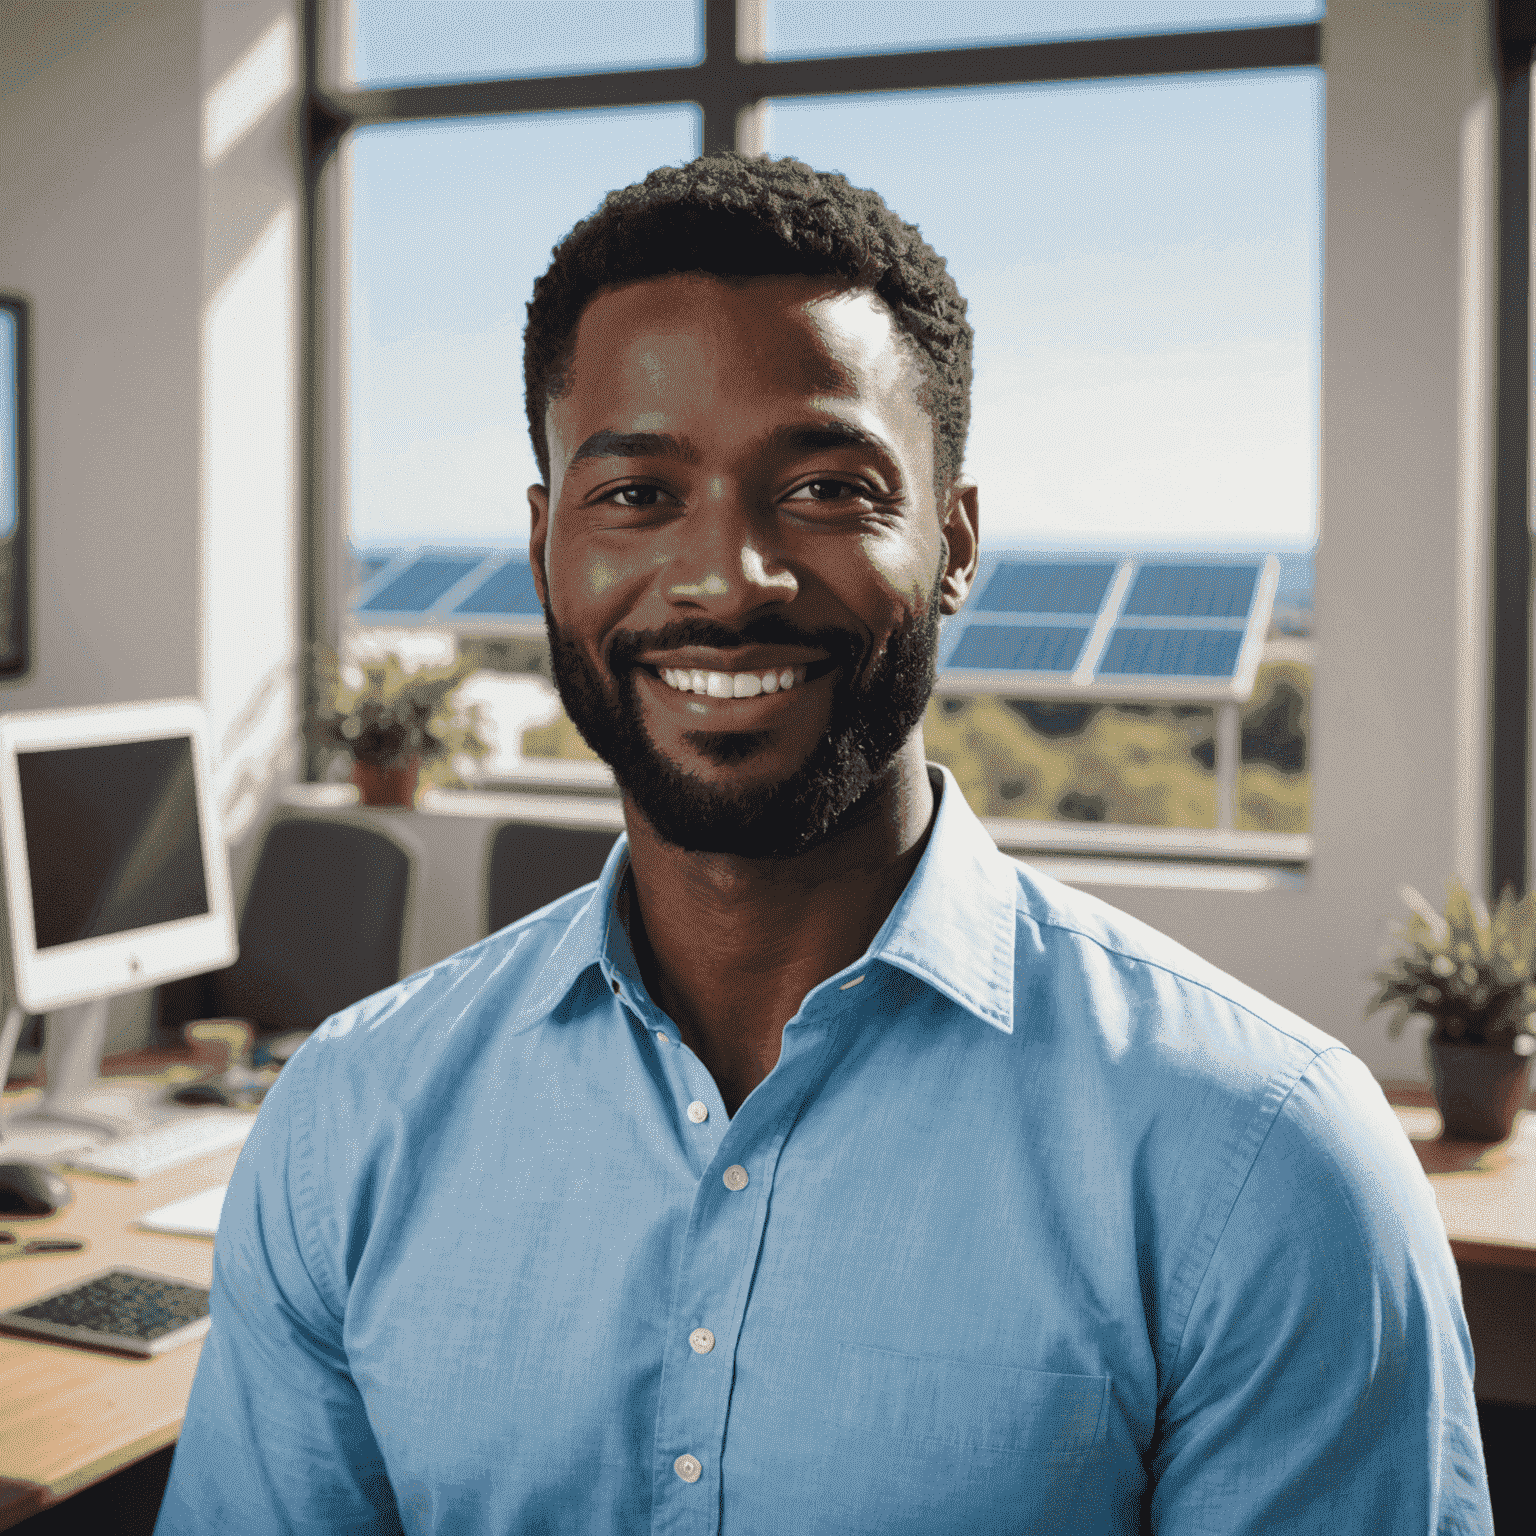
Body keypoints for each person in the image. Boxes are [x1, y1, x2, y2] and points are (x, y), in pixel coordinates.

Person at [156, 153, 1492, 1534]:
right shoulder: (348, 1125)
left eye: (826, 488)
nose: (729, 577)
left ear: (955, 541)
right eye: (635, 495)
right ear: (548, 545)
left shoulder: (1265, 1162)